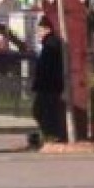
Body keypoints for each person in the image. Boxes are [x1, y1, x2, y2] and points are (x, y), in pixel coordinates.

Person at [31, 17, 65, 145]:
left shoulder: (51, 44)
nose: (38, 33)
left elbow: (48, 67)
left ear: (47, 29)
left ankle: (52, 135)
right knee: (41, 110)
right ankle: (49, 134)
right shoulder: (48, 44)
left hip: (49, 86)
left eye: (39, 30)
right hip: (48, 85)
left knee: (44, 111)